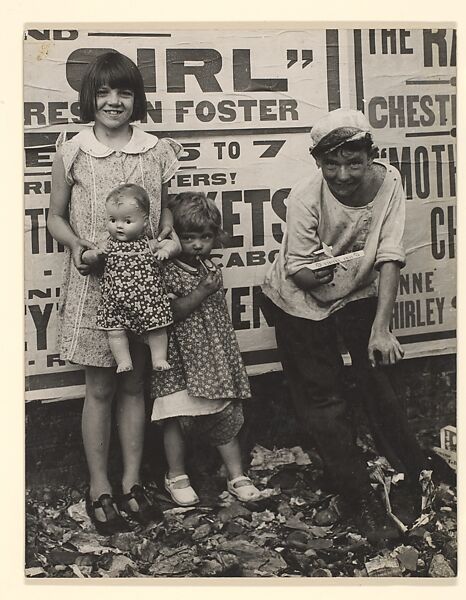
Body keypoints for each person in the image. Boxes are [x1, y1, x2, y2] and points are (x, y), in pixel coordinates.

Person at [262, 108, 429, 544]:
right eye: (331, 163)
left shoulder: (389, 181)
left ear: (371, 156)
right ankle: (358, 496)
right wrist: (308, 277)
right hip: (298, 299)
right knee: (325, 397)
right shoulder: (305, 197)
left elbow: (390, 254)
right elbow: (297, 270)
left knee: (378, 375)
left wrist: (382, 329)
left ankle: (415, 468)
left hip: (354, 289)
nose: (343, 174)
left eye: (354, 161)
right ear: (317, 161)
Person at [47, 50, 182, 534]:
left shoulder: (157, 149)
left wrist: (168, 235)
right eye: (103, 92)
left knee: (134, 384)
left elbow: (165, 212)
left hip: (143, 288)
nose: (114, 101)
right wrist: (79, 246)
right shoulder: (73, 150)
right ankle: (99, 488)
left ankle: (130, 484)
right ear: (90, 98)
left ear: (136, 98)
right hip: (92, 287)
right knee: (100, 387)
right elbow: (55, 218)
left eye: (124, 92)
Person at [150, 192, 261, 506]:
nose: (197, 244)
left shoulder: (206, 267)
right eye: (188, 237)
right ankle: (176, 474)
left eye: (205, 237)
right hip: (177, 361)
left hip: (210, 359)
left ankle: (236, 474)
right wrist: (200, 292)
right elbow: (169, 314)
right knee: (174, 414)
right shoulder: (166, 269)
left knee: (222, 414)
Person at [83, 183, 181, 373]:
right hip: (116, 303)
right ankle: (123, 361)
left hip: (148, 302)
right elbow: (85, 257)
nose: (118, 226)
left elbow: (174, 245)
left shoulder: (148, 244)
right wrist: (96, 254)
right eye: (112, 220)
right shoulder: (107, 245)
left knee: (158, 329)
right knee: (115, 333)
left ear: (144, 222)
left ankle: (159, 358)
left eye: (127, 221)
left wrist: (167, 251)